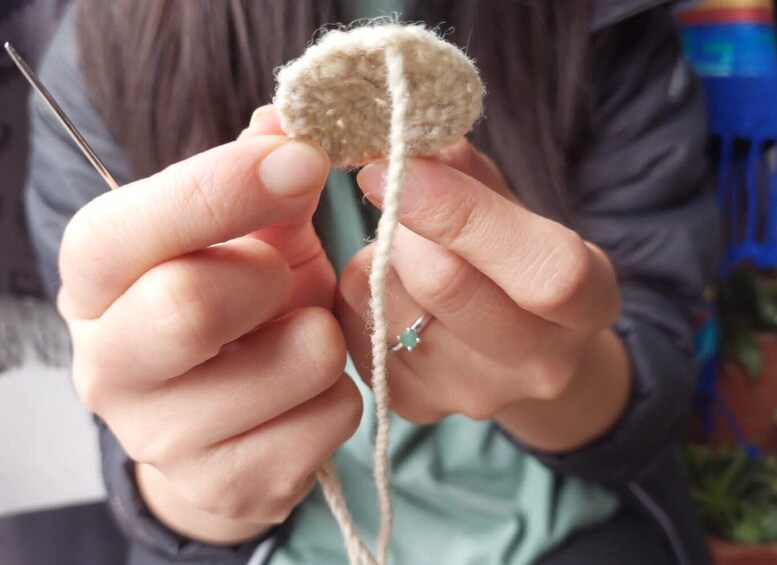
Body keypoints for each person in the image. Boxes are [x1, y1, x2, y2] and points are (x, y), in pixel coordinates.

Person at [24, 0, 717, 563]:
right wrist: (200, 483)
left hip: (573, 523)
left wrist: (561, 368)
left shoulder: (601, 19)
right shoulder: (105, 44)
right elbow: (135, 435)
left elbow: (655, 344)